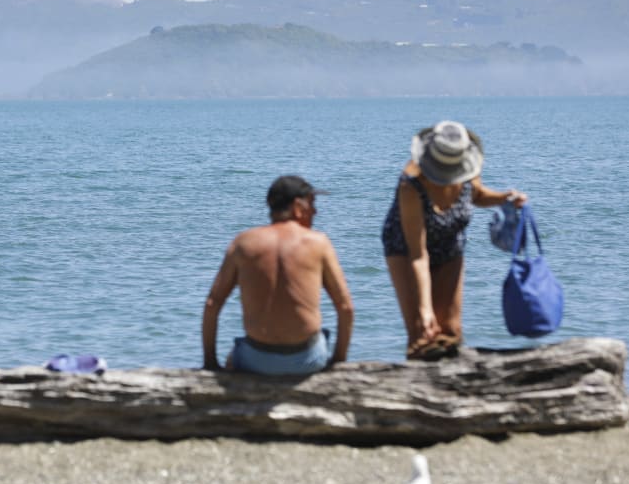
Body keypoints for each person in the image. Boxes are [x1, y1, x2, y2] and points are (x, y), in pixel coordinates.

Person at [381, 121, 527, 360]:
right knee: (422, 333)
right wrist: (425, 308)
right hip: (406, 248)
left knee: (450, 332)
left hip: (449, 243)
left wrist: (505, 198)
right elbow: (418, 255)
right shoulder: (411, 184)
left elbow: (477, 195)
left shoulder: (466, 169)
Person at [202, 175, 354, 375]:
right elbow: (345, 307)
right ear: (297, 206)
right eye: (312, 203)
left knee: (233, 357)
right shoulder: (318, 243)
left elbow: (212, 304)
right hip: (307, 359)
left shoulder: (243, 243)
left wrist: (210, 363)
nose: (315, 211)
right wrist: (338, 361)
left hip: (255, 359)